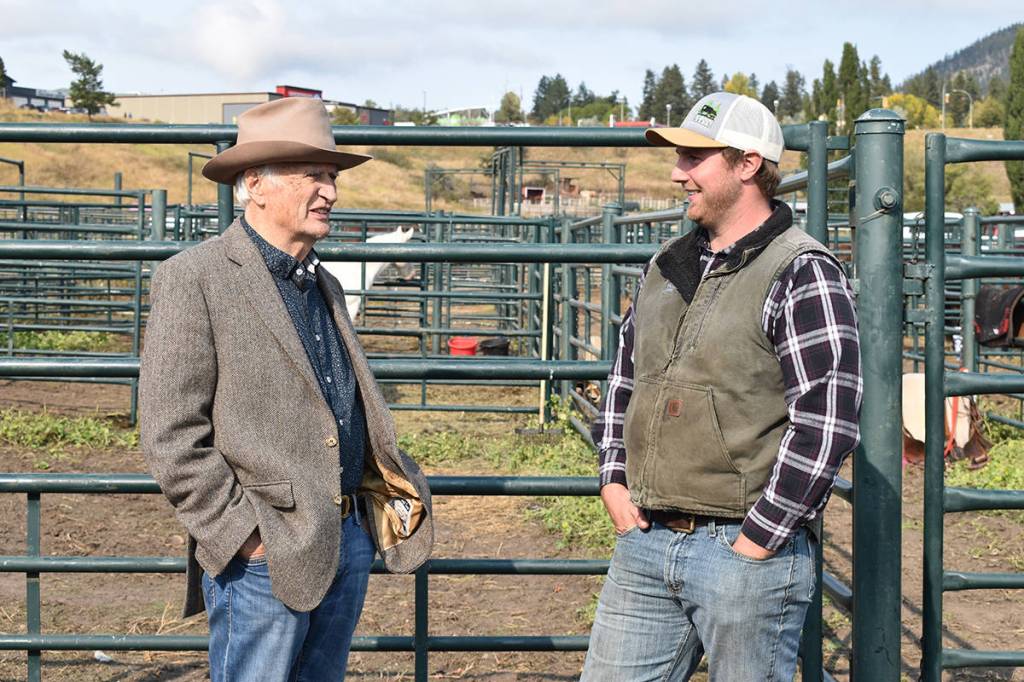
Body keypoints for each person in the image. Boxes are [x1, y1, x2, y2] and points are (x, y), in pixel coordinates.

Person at [140, 96, 433, 682]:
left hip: (345, 534)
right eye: (313, 175)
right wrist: (243, 536)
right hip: (263, 552)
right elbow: (171, 433)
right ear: (256, 184)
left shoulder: (320, 281)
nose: (330, 191)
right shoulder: (194, 278)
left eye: (331, 176)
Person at [581, 92, 862, 681]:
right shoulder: (666, 264)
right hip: (647, 537)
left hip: (741, 547)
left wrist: (757, 540)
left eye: (694, 157)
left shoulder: (800, 268)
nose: (678, 172)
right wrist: (612, 478)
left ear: (747, 164)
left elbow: (826, 417)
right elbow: (624, 378)